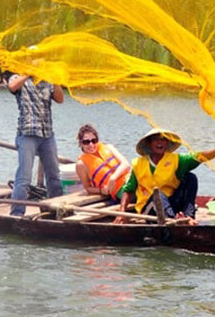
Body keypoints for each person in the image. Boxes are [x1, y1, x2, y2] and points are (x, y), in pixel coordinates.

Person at [117, 129, 215, 224]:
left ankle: (188, 217)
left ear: (167, 143)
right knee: (158, 194)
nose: (160, 143)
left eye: (163, 140)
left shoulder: (176, 160)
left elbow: (198, 157)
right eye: (156, 139)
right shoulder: (138, 164)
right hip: (150, 208)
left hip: (172, 203)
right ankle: (173, 220)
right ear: (149, 143)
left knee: (190, 177)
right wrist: (122, 213)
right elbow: (128, 190)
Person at [8, 72, 65, 216]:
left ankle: (56, 209)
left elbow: (60, 99)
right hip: (27, 134)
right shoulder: (18, 78)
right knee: (24, 177)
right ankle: (17, 213)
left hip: (47, 134)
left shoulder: (47, 81)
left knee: (54, 175)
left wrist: (56, 80)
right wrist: (27, 73)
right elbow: (12, 87)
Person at [75, 124, 131, 202]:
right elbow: (88, 188)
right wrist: (101, 190)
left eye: (94, 141)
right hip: (120, 189)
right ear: (81, 143)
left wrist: (113, 178)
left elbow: (126, 164)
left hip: (130, 179)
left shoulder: (109, 147)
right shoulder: (81, 164)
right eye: (86, 142)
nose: (91, 145)